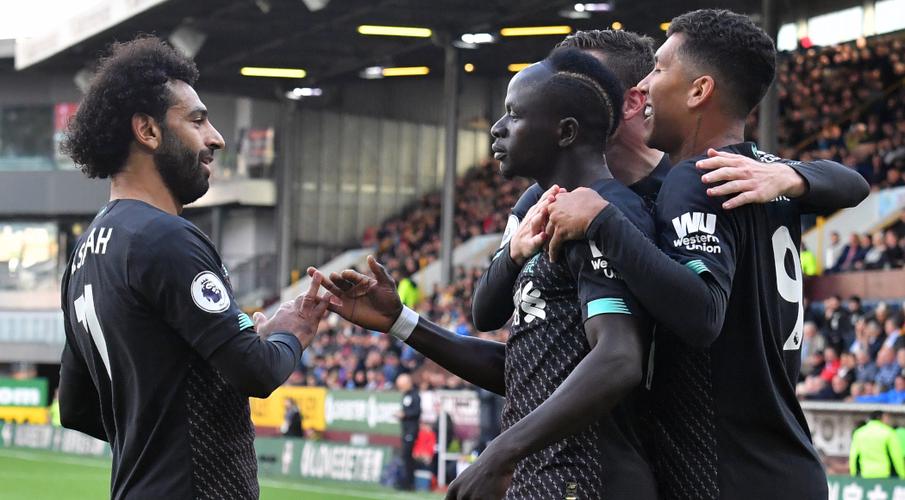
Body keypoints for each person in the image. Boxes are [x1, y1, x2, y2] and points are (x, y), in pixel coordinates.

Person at [542, 9, 871, 499]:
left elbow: (701, 312)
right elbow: (854, 183)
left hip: (724, 475)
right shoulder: (763, 174)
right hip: (788, 467)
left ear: (698, 91)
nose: (645, 85)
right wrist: (795, 174)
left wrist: (602, 222)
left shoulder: (696, 178)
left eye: (658, 69)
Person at [311, 48, 657, 500]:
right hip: (548, 477)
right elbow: (523, 368)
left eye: (515, 114)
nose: (497, 127)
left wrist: (499, 454)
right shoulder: (545, 213)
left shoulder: (603, 214)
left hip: (587, 480)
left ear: (565, 132)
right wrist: (402, 322)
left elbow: (619, 358)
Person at [57, 36, 328, 498]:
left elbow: (75, 408)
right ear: (148, 131)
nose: (216, 138)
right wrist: (293, 330)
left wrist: (155, 437)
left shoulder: (83, 255)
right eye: (197, 121)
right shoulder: (165, 238)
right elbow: (256, 370)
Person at [472, 29, 867, 334]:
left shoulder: (700, 181)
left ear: (632, 101)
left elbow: (852, 184)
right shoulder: (541, 198)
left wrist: (788, 173)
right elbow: (489, 316)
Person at [850, 411, 905, 478]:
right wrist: (902, 475)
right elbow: (896, 456)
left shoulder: (859, 433)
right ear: (882, 418)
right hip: (885, 474)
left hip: (865, 474)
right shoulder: (889, 432)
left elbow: (853, 456)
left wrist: (853, 474)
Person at [395, 373, 421, 491]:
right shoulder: (406, 395)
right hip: (405, 430)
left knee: (407, 456)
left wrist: (404, 414)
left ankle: (409, 483)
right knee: (405, 456)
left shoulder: (415, 395)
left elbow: (417, 411)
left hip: (411, 430)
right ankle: (405, 481)